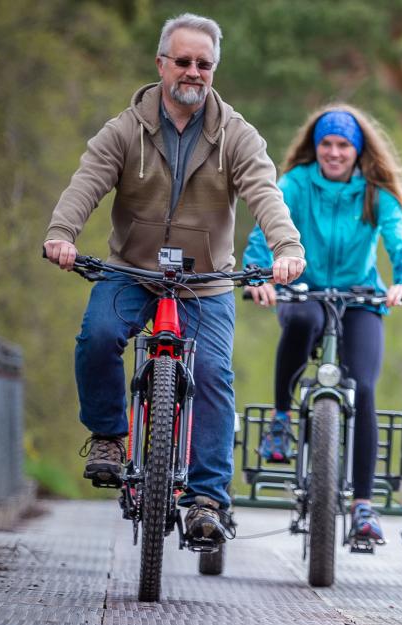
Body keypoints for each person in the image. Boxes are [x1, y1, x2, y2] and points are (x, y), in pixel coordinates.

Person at [42, 13, 306, 545]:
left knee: (212, 375)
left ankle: (207, 499)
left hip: (206, 281)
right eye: (182, 61)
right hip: (130, 271)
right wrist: (62, 232)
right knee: (96, 338)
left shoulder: (237, 135)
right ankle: (110, 438)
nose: (192, 72)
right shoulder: (124, 129)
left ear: (214, 69)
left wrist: (287, 247)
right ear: (161, 64)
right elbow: (87, 181)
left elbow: (264, 193)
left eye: (203, 64)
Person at [243, 104, 402, 545]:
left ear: (357, 150)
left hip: (359, 297)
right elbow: (268, 225)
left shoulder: (374, 192)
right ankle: (282, 420)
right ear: (315, 147)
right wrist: (256, 274)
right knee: (302, 319)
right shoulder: (297, 185)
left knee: (362, 386)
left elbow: (401, 237)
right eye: (327, 144)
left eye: (344, 145)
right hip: (303, 291)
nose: (334, 152)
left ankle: (363, 505)